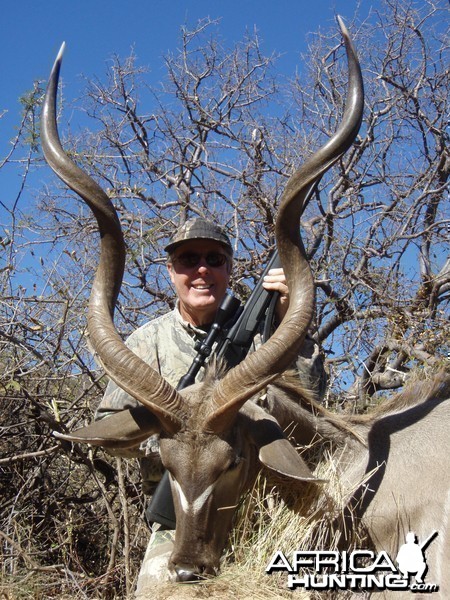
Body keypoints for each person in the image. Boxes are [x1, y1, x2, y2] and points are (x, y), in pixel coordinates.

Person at [96, 217, 326, 589]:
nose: (202, 269)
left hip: (266, 516)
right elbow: (108, 422)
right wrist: (173, 444)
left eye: (214, 259)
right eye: (188, 260)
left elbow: (313, 398)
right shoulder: (146, 341)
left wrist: (289, 325)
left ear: (229, 269)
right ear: (171, 271)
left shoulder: (262, 339)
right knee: (158, 591)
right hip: (180, 523)